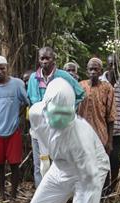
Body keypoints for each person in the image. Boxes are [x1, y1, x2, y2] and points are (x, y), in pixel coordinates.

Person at [25, 78, 109, 203]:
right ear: (45, 107)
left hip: (88, 171)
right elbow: (39, 133)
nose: (59, 120)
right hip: (60, 166)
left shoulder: (80, 137)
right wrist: (44, 158)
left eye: (65, 115)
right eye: (55, 113)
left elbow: (91, 185)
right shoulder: (35, 113)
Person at [26, 47, 85, 187]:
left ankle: (60, 197)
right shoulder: (34, 79)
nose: (45, 61)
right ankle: (41, 197)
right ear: (38, 60)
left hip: (59, 129)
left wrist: (67, 110)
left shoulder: (63, 76)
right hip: (39, 131)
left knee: (60, 163)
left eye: (48, 58)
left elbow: (80, 94)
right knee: (40, 164)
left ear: (54, 59)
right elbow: (30, 101)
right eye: (42, 58)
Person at [0, 55, 29, 200]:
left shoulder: (17, 84)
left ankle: (13, 195)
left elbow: (25, 102)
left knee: (14, 164)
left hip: (13, 131)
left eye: (2, 68)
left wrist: (16, 116)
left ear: (7, 68)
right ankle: (2, 194)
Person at [100, 54, 120, 195]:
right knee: (102, 159)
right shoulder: (100, 82)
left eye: (116, 64)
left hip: (118, 129)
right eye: (111, 64)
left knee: (115, 159)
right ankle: (104, 189)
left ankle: (112, 187)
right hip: (102, 129)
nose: (113, 67)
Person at [77, 57, 115, 154]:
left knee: (100, 166)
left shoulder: (107, 88)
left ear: (101, 71)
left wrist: (110, 142)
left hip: (100, 136)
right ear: (87, 71)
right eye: (91, 69)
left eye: (96, 69)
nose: (93, 72)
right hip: (82, 136)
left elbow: (111, 116)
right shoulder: (80, 86)